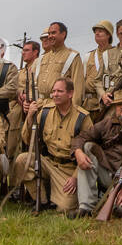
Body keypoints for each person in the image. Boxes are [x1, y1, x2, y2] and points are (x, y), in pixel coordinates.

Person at [11, 77, 92, 213]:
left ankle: (54, 193)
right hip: (47, 162)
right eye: (53, 91)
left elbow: (90, 150)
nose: (55, 94)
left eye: (59, 91)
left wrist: (76, 177)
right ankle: (42, 200)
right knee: (22, 160)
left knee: (66, 207)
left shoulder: (82, 117)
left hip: (69, 168)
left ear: (70, 94)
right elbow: (27, 140)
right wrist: (30, 116)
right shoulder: (45, 112)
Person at [68, 85, 122, 218]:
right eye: (119, 104)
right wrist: (78, 153)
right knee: (87, 147)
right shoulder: (107, 123)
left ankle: (113, 199)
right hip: (109, 175)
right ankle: (86, 207)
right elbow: (81, 138)